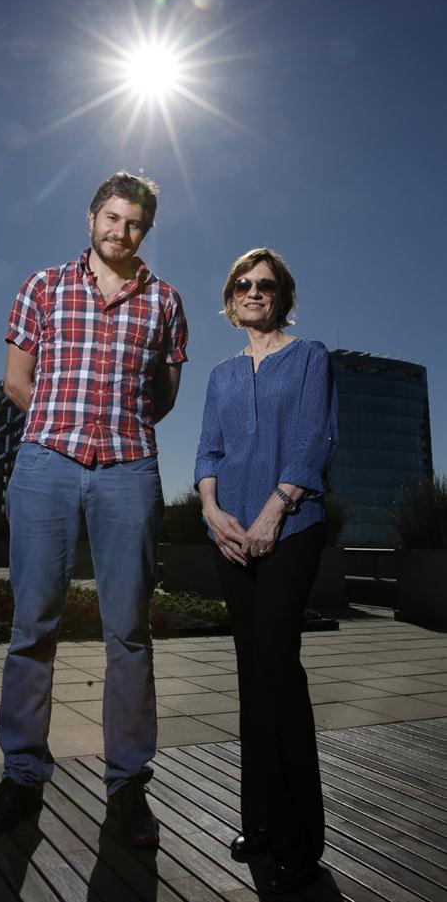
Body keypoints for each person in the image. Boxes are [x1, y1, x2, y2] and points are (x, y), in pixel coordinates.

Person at [0, 171, 188, 848]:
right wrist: (63, 427)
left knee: (130, 633)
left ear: (146, 230)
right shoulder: (42, 287)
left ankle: (127, 788)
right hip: (47, 465)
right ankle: (22, 778)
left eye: (136, 222)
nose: (123, 230)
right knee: (32, 626)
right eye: (112, 217)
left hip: (129, 469)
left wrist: (116, 429)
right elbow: (17, 381)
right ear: (91, 218)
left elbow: (163, 395)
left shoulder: (166, 301)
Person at [195, 248, 338, 895]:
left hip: (292, 529)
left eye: (266, 284)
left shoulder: (309, 358)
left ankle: (300, 839)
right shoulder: (221, 375)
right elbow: (208, 452)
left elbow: (312, 439)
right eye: (243, 284)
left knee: (279, 666)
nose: (253, 291)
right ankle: (258, 823)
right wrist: (212, 512)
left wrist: (275, 511)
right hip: (230, 536)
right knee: (251, 674)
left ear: (283, 295)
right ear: (231, 297)